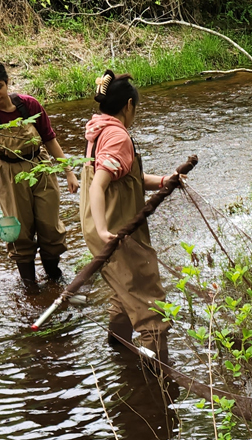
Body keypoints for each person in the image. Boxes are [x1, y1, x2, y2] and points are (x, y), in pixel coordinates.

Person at [81, 70, 174, 365]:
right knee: (149, 302)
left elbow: (123, 176)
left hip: (97, 228)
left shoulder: (99, 129)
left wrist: (162, 181)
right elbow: (99, 183)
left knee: (123, 291)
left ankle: (118, 351)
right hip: (116, 231)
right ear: (129, 106)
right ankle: (158, 379)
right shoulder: (118, 136)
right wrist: (106, 228)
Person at [0, 59, 78, 288]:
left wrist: (68, 172)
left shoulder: (29, 105)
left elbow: (49, 138)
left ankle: (55, 278)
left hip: (40, 166)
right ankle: (30, 285)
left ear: (7, 82)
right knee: (18, 231)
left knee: (50, 226)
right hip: (6, 173)